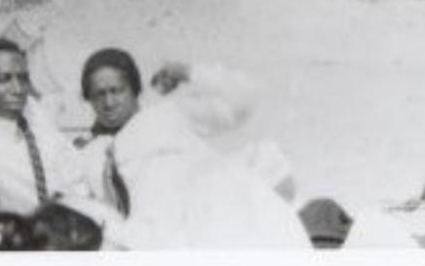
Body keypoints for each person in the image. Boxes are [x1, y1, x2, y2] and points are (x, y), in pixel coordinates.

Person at [78, 47, 311, 249]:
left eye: (116, 91)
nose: (108, 102)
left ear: (134, 89)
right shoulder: (89, 155)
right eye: (99, 94)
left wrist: (190, 73)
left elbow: (243, 99)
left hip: (206, 236)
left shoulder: (168, 116)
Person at [0, 39, 124, 249]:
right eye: (4, 79)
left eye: (23, 78)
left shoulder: (38, 124)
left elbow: (76, 179)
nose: (18, 88)